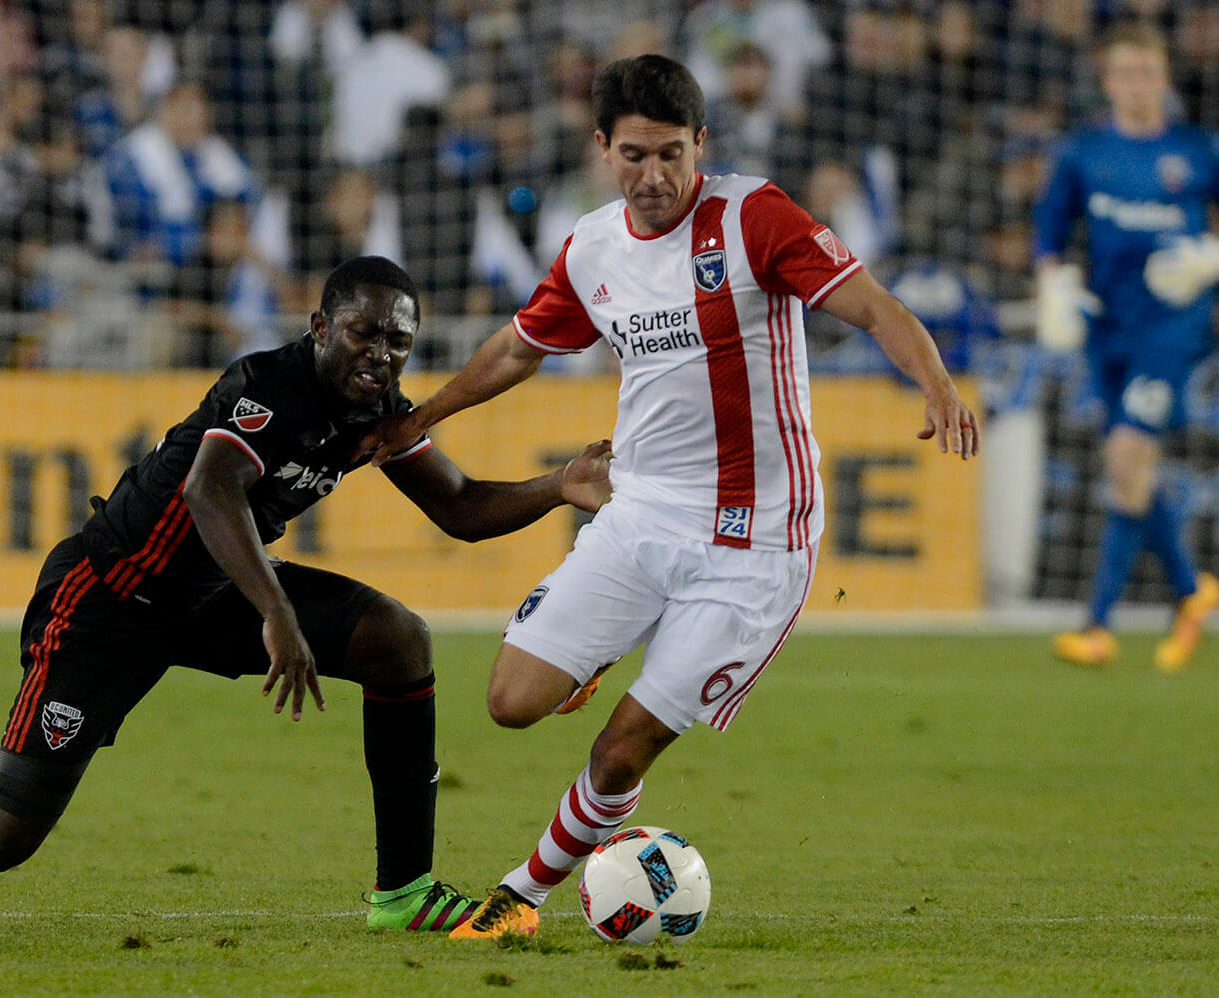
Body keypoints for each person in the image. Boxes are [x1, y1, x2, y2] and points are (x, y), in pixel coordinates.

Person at [0, 256, 615, 933]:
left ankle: (404, 890)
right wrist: (276, 612)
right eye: (364, 335)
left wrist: (557, 485)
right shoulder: (265, 386)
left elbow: (460, 510)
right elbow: (212, 493)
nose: (381, 356)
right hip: (107, 599)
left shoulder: (374, 411)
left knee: (398, 639)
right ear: (321, 327)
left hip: (210, 594)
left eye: (398, 343)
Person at [364, 54, 979, 940]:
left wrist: (937, 385)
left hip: (755, 544)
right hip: (640, 512)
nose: (654, 177)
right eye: (634, 156)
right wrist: (421, 416)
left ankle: (522, 896)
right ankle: (606, 654)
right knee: (510, 701)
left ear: (703, 144)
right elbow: (515, 349)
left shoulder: (755, 216)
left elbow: (875, 306)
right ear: (603, 150)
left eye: (672, 156)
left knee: (621, 748)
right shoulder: (591, 246)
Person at [1034, 23, 1219, 671]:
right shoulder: (1084, 154)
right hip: (1108, 326)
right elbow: (1050, 236)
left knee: (1126, 452)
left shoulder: (1198, 151)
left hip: (1172, 327)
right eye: (1127, 73)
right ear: (1108, 81)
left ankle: (1097, 626)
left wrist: (1209, 258)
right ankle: (1192, 590)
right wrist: (1053, 287)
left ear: (1164, 77)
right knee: (1129, 470)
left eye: (1149, 71)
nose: (1140, 84)